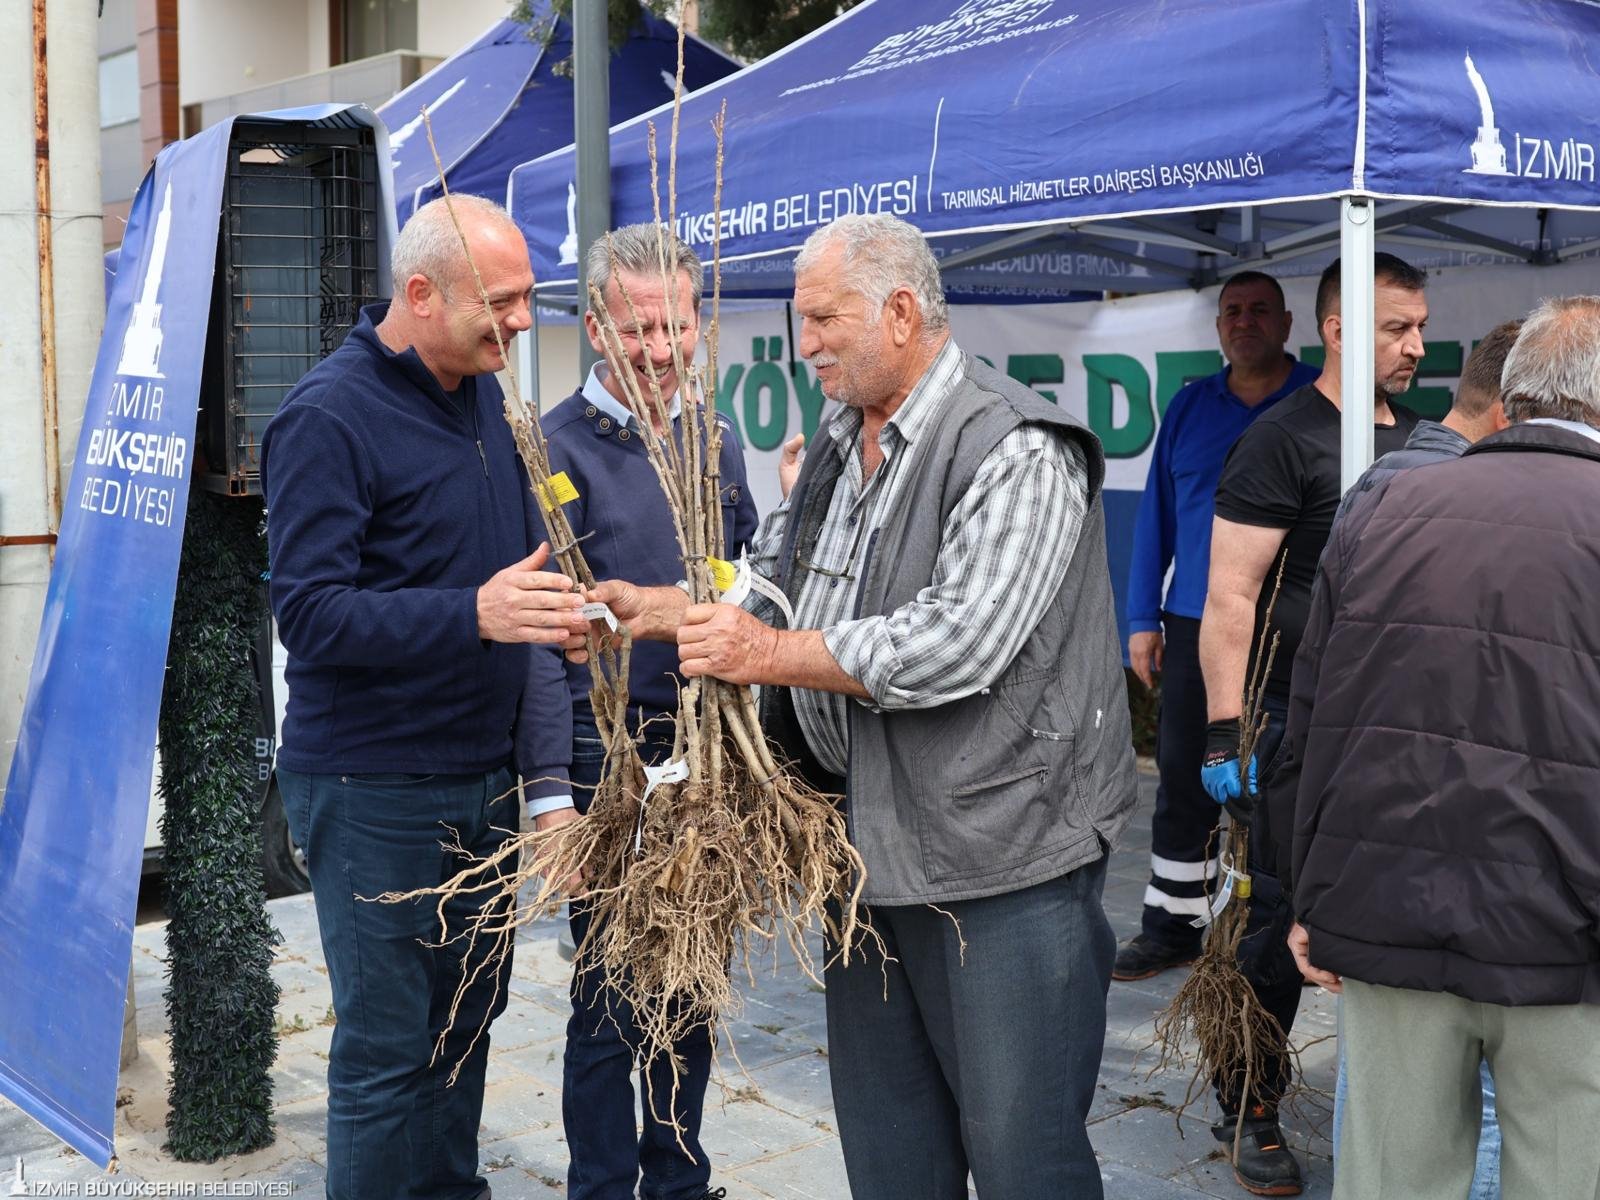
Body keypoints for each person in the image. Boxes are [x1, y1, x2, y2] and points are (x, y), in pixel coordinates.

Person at [581, 213, 1138, 1199]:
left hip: (1001, 864)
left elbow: (957, 640)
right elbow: (778, 583)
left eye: (822, 318)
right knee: (891, 1155)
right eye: (801, 323)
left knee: (1024, 1157)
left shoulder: (1014, 448)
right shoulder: (841, 442)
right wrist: (668, 612)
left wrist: (766, 654)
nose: (805, 345)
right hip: (865, 854)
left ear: (900, 311)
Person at [260, 194, 586, 1200]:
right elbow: (308, 615)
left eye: (530, 296)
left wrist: (548, 612)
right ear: (419, 294)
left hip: (476, 777)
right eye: (506, 300)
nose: (525, 320)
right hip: (373, 789)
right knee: (390, 1055)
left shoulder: (486, 396)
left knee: (463, 1033)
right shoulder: (326, 416)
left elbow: (491, 576)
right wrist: (473, 615)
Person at [1284, 296, 1600, 1200]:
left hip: (1391, 923)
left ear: (1511, 399)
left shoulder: (1385, 505)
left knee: (1390, 1184)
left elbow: (1314, 719)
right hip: (1567, 949)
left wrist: (1312, 895)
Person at [1267, 319, 1520, 1199]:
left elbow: (1318, 713)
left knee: (1387, 1111)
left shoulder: (1386, 486)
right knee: (1470, 1112)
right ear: (1518, 406)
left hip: (1390, 870)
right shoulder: (1448, 497)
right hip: (1468, 873)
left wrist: (1319, 885)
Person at [1197, 252, 1426, 1196]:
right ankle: (1249, 1099)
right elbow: (1230, 596)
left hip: (1391, 726)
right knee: (1276, 920)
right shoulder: (1283, 440)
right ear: (1339, 330)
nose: (1417, 345)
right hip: (1290, 720)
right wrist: (1225, 734)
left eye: (1421, 327)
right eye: (1399, 328)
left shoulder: (1422, 439)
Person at [543, 223, 757, 1200]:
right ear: (596, 328)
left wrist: (715, 595)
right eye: (637, 331)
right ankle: (601, 1186)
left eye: (675, 327)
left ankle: (678, 1178)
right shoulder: (551, 448)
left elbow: (746, 571)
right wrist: (557, 793)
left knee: (690, 981)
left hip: (704, 744)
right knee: (607, 993)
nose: (660, 351)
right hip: (611, 753)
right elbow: (551, 634)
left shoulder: (712, 438)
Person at [1116, 272, 1318, 980]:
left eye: (1259, 310)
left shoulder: (1322, 399)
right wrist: (1143, 619)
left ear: (1288, 322)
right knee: (1183, 780)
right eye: (1232, 311)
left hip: (1291, 630)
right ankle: (1172, 925)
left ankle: (1271, 938)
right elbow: (1156, 519)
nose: (1244, 321)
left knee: (1287, 784)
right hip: (1198, 622)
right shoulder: (1190, 407)